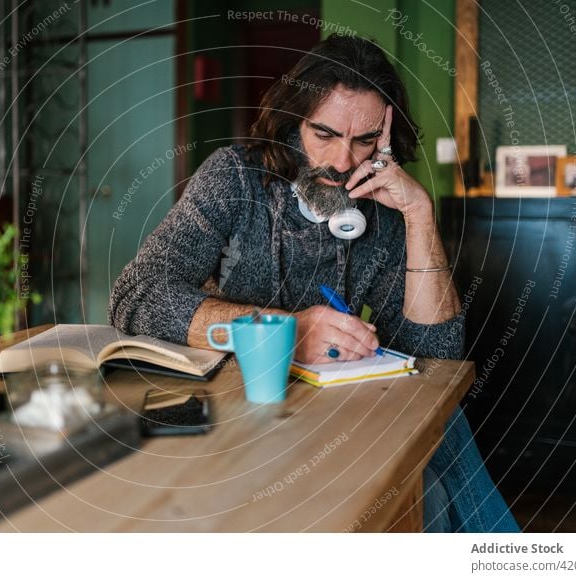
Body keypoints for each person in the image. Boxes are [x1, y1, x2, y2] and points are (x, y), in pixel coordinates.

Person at [109, 33, 519, 532]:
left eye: (365, 139)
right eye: (324, 134)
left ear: (386, 136)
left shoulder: (383, 207)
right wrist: (286, 332)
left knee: (435, 445)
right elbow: (136, 294)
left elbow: (436, 356)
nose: (344, 162)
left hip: (331, 416)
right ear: (293, 119)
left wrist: (419, 216)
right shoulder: (234, 179)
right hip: (241, 408)